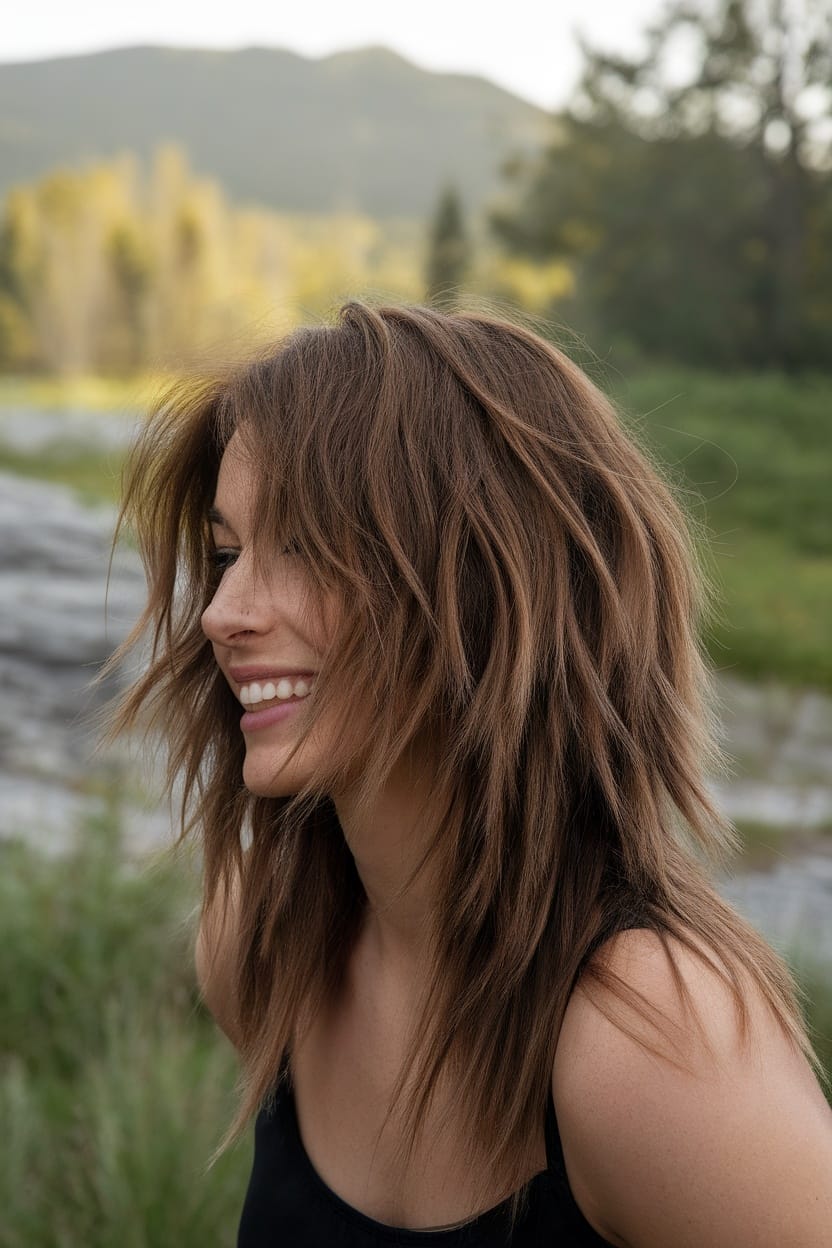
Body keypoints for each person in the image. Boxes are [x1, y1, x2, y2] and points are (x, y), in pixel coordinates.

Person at [112, 302, 832, 1246]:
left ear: (487, 585)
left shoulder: (649, 1038)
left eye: (305, 546)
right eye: (228, 553)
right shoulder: (262, 944)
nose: (222, 614)